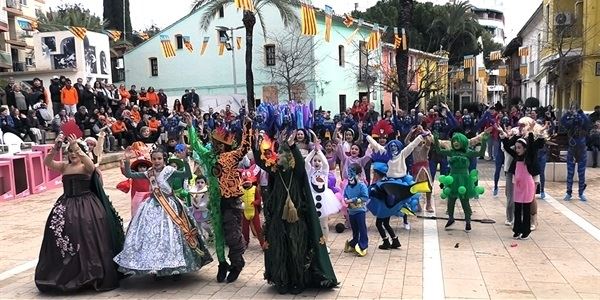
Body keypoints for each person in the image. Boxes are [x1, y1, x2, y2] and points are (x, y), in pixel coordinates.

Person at [35, 133, 125, 292]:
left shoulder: (85, 167)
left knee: (88, 237)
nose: (72, 154)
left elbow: (91, 165)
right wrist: (55, 148)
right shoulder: (64, 166)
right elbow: (47, 163)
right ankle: (68, 272)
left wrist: (76, 145)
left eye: (75, 151)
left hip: (87, 206)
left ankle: (91, 273)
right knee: (64, 236)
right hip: (66, 205)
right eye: (69, 152)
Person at [253, 130, 338, 294]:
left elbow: (299, 162)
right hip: (279, 217)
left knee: (296, 249)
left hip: (296, 218)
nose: (279, 156)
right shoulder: (275, 170)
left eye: (284, 153)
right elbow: (261, 161)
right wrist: (256, 145)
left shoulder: (298, 171)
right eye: (279, 153)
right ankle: (282, 281)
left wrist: (292, 145)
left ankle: (297, 281)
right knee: (279, 249)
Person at [114, 148, 212, 278]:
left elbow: (187, 174)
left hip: (170, 206)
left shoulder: (169, 171)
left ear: (164, 159)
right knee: (152, 238)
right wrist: (127, 161)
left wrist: (184, 159)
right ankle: (156, 267)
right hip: (151, 206)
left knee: (174, 237)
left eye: (159, 158)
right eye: (154, 159)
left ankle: (177, 267)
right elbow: (129, 175)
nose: (156, 161)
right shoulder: (149, 173)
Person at [434, 132, 489, 232]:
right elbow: (438, 151)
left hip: (464, 179)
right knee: (451, 200)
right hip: (452, 178)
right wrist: (436, 139)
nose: (455, 142)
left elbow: (480, 153)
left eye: (457, 140)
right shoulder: (451, 152)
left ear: (463, 142)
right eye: (454, 140)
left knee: (464, 201)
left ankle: (468, 221)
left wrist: (484, 141)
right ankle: (451, 218)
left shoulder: (468, 152)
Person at [305, 133, 342, 253]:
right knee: (312, 224)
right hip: (312, 199)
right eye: (315, 161)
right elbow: (306, 162)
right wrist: (314, 151)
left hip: (324, 200)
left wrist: (319, 150)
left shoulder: (325, 172)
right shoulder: (310, 172)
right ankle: (312, 244)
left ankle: (324, 244)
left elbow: (326, 163)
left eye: (318, 161)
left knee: (324, 224)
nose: (316, 162)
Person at [501, 132, 539, 240]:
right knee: (517, 208)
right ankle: (517, 230)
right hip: (518, 186)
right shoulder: (516, 156)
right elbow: (507, 148)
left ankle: (526, 231)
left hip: (527, 185)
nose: (517, 150)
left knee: (526, 209)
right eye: (516, 147)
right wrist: (504, 137)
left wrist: (531, 134)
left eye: (519, 148)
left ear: (525, 149)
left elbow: (532, 147)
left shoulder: (529, 157)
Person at [561, 107, 591, 201]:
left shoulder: (583, 122)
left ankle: (581, 192)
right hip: (572, 146)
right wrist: (568, 113)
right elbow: (562, 121)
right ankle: (568, 192)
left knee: (581, 172)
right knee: (570, 171)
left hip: (581, 147)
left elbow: (587, 122)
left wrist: (581, 113)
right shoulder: (571, 122)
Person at [343, 163, 370, 257]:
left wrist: (353, 200)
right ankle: (354, 243)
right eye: (349, 172)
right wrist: (346, 199)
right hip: (351, 212)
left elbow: (365, 197)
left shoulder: (362, 186)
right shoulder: (348, 185)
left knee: (362, 229)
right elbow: (345, 194)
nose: (350, 174)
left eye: (352, 172)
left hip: (360, 211)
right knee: (354, 229)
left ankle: (363, 246)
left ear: (358, 174)